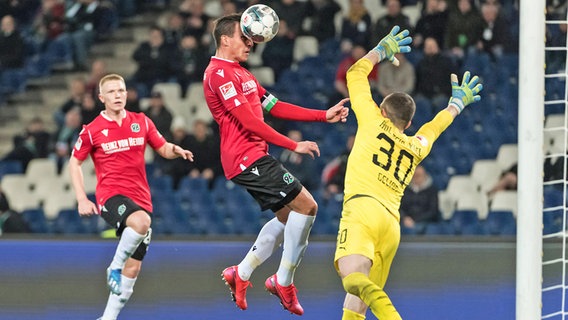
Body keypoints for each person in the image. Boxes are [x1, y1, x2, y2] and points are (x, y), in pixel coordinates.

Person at [203, 13, 349, 315]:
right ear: (225, 39)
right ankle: (283, 281)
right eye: (244, 38)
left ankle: (240, 273)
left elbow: (275, 106)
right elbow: (249, 122)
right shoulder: (218, 74)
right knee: (307, 207)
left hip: (254, 154)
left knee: (288, 219)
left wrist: (324, 114)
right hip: (245, 157)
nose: (251, 42)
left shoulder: (243, 74)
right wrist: (294, 144)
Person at [334, 25, 482, 319]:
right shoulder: (417, 146)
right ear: (409, 124)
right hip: (390, 226)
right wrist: (456, 103)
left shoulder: (373, 121)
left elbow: (354, 74)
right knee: (356, 305)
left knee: (352, 280)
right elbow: (434, 128)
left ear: (383, 112)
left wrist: (381, 51)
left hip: (362, 208)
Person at [68, 73, 194, 320]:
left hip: (141, 200)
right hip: (110, 196)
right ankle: (112, 267)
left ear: (126, 94)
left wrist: (174, 150)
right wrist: (82, 198)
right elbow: (75, 163)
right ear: (101, 97)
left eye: (121, 91)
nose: (117, 95)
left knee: (134, 267)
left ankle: (107, 318)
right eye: (112, 92)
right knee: (140, 224)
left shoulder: (141, 121)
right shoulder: (92, 130)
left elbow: (162, 146)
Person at [399, 165, 440, 234]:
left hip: (426, 223)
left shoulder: (432, 191)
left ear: (425, 176)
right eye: (414, 176)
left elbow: (433, 211)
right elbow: (400, 207)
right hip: (406, 222)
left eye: (419, 175)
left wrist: (415, 220)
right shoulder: (406, 190)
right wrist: (405, 218)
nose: (416, 178)